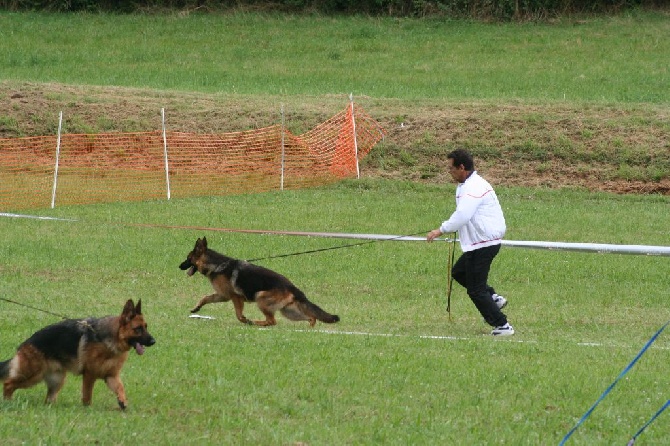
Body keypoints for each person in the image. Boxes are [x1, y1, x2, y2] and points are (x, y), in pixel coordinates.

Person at [426, 149, 514, 336]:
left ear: (462, 167)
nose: (449, 172)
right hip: (480, 242)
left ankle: (502, 325)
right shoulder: (468, 184)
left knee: (475, 290)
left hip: (484, 243)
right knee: (459, 272)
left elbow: (463, 215)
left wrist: (440, 230)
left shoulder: (473, 187)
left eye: (451, 168)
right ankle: (493, 298)